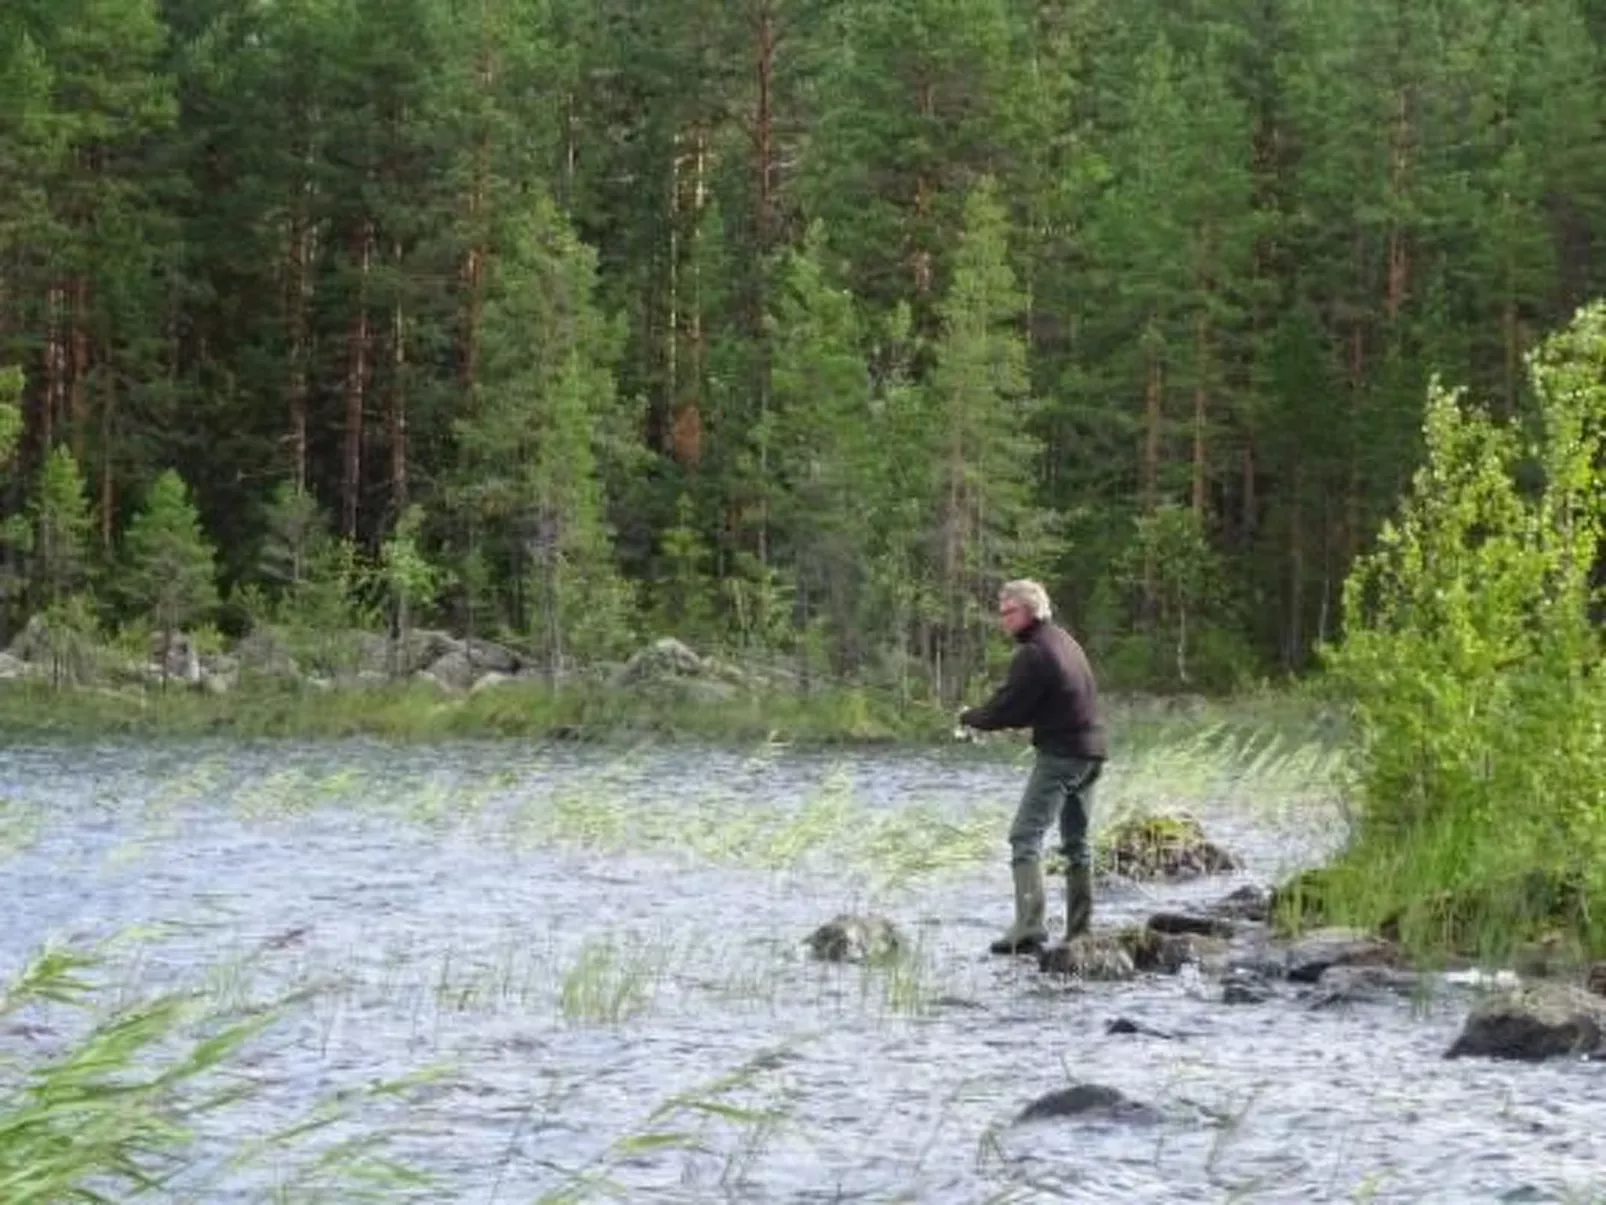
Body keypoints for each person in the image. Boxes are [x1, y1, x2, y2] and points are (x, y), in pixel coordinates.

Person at [957, 579, 1107, 955]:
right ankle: (1080, 932)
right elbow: (1046, 701)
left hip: (1062, 756)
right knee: (1077, 844)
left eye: (1010, 612)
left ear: (1031, 611)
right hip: (1092, 752)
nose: (1003, 619)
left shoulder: (1035, 652)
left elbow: (1008, 707)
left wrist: (970, 718)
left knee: (1024, 837)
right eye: (1002, 612)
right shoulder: (1065, 642)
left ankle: (1029, 928)